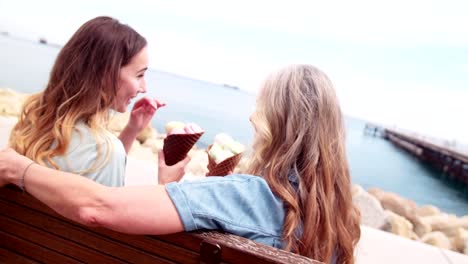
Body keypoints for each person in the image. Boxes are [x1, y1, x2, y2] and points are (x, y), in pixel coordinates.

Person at [0, 64, 360, 263]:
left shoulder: (246, 195)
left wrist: (21, 169)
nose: (252, 117)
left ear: (273, 122)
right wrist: (170, 187)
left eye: (260, 107)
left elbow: (98, 207)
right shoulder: (338, 221)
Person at [9, 16, 165, 187]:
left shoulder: (33, 123)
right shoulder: (105, 151)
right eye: (139, 75)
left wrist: (131, 130)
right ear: (107, 74)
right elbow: (109, 207)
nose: (144, 87)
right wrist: (166, 183)